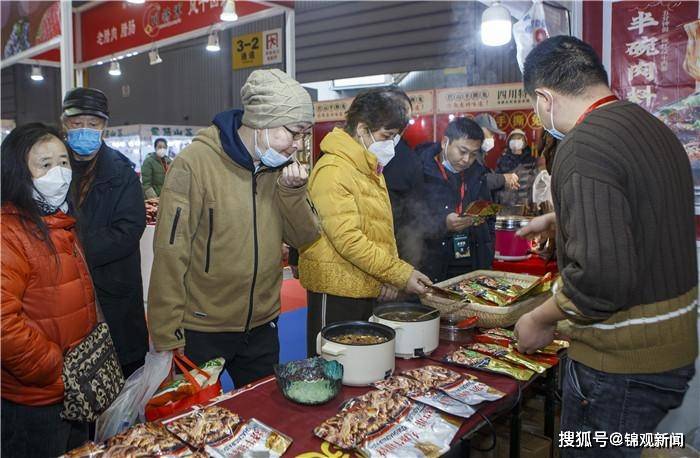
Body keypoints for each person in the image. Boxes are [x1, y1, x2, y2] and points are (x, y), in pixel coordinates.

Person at [515, 36, 697, 457]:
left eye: (535, 107)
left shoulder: (582, 148)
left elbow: (601, 278)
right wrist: (559, 219)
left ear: (545, 97)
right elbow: (639, 209)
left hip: (620, 369)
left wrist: (540, 319)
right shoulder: (652, 127)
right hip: (672, 352)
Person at [147, 69, 320, 388]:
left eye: (304, 135)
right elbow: (171, 252)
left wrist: (293, 192)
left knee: (263, 416)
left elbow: (305, 237)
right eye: (293, 133)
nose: (298, 144)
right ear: (262, 121)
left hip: (263, 325)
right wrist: (167, 332)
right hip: (203, 328)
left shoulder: (280, 168)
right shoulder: (195, 164)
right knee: (199, 425)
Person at [299, 88, 432, 356]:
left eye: (396, 137)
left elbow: (379, 229)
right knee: (332, 365)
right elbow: (349, 240)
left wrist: (388, 277)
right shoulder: (334, 171)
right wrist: (400, 273)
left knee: (362, 365)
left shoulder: (367, 166)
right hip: (336, 290)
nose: (392, 144)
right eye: (387, 136)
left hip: (363, 285)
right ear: (362, 129)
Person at [1, 123, 98, 457]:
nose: (58, 173)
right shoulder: (8, 232)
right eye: (45, 165)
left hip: (72, 389)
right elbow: (3, 325)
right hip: (36, 399)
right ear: (18, 173)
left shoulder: (60, 221)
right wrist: (53, 367)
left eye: (63, 162)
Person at [62, 87, 148, 378]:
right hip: (63, 293)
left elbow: (129, 229)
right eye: (77, 124)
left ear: (104, 127)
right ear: (65, 124)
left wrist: (71, 250)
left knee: (120, 378)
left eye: (93, 124)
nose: (85, 130)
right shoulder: (51, 166)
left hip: (114, 290)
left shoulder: (121, 172)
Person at [415, 117, 496, 283]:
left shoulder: (477, 174)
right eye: (462, 151)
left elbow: (489, 219)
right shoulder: (420, 171)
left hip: (471, 264)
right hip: (432, 266)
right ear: (445, 142)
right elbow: (408, 220)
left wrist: (486, 260)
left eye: (473, 154)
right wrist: (443, 223)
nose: (466, 160)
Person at [382, 89, 425, 269]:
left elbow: (415, 222)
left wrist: (403, 271)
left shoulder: (411, 161)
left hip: (396, 253)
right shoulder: (353, 150)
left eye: (401, 111)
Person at [473, 113, 519, 193]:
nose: (493, 138)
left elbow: (485, 183)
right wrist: (503, 178)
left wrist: (503, 183)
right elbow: (477, 181)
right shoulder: (469, 155)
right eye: (491, 134)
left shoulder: (480, 155)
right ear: (478, 130)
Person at [494, 128, 538, 210]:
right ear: (508, 142)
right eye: (513, 139)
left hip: (526, 205)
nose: (515, 141)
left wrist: (533, 203)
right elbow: (496, 182)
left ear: (524, 142)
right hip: (505, 204)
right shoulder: (502, 160)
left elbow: (535, 185)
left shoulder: (531, 161)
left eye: (518, 138)